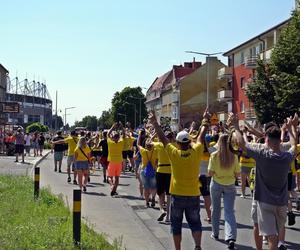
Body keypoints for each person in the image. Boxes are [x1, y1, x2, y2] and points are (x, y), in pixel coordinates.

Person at [233, 113, 296, 250]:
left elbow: (241, 143)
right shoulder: (287, 156)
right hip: (282, 202)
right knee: (277, 234)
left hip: (265, 201)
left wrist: (235, 126)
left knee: (271, 236)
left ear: (266, 140)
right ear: (279, 140)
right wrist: (291, 129)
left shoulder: (262, 154)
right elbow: (293, 145)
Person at [149, 109, 209, 250]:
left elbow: (163, 139)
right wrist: (205, 119)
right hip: (193, 194)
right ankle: (198, 246)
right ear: (189, 142)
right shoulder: (196, 151)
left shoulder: (174, 153)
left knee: (176, 226)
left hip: (177, 194)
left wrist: (154, 123)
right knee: (195, 223)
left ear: (177, 143)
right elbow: (201, 136)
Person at [208, 133, 240, 249]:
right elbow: (237, 174)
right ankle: (230, 237)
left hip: (216, 183)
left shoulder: (214, 155)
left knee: (215, 209)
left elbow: (210, 173)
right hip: (230, 184)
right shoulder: (234, 156)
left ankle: (215, 233)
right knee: (229, 211)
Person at [153, 130, 174, 223]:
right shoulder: (174, 146)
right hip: (170, 171)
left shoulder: (159, 145)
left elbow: (149, 141)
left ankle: (162, 210)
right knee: (169, 195)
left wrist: (154, 134)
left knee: (160, 193)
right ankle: (168, 216)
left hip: (160, 170)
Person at [137, 135, 158, 208]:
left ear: (145, 145)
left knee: (146, 188)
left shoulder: (143, 151)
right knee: (153, 187)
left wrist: (140, 135)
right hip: (153, 170)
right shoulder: (155, 151)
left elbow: (138, 144)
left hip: (144, 171)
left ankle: (147, 202)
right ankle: (153, 198)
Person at [107, 122, 125, 196]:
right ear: (118, 138)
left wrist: (112, 127)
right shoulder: (121, 142)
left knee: (109, 177)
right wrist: (121, 127)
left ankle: (112, 186)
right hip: (119, 162)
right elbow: (123, 135)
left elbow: (108, 134)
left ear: (113, 137)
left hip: (112, 162)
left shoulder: (110, 143)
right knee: (117, 178)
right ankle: (114, 190)